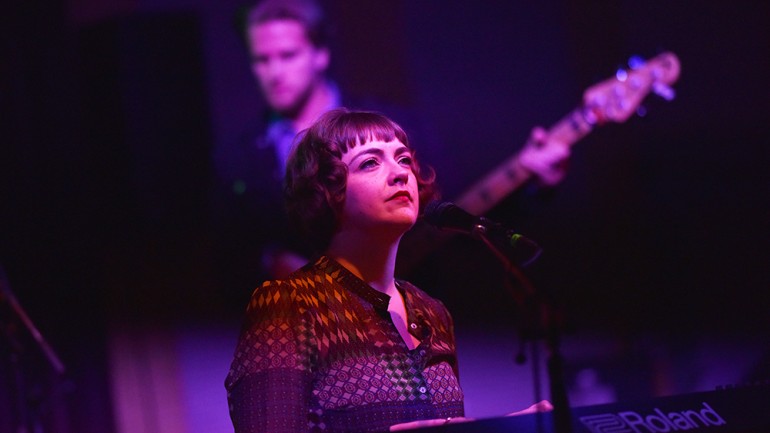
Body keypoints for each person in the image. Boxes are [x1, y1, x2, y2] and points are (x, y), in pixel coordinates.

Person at [224, 108, 550, 433]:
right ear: (325, 193)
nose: (399, 174)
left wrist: (508, 427)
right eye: (370, 162)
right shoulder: (288, 304)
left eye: (404, 159)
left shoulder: (433, 312)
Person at [211, 0, 571, 291]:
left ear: (320, 54)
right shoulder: (237, 158)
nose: (274, 72)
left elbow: (454, 211)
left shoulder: (395, 126)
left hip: (402, 321)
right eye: (262, 59)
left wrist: (533, 182)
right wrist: (269, 261)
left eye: (288, 55)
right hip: (304, 331)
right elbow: (222, 254)